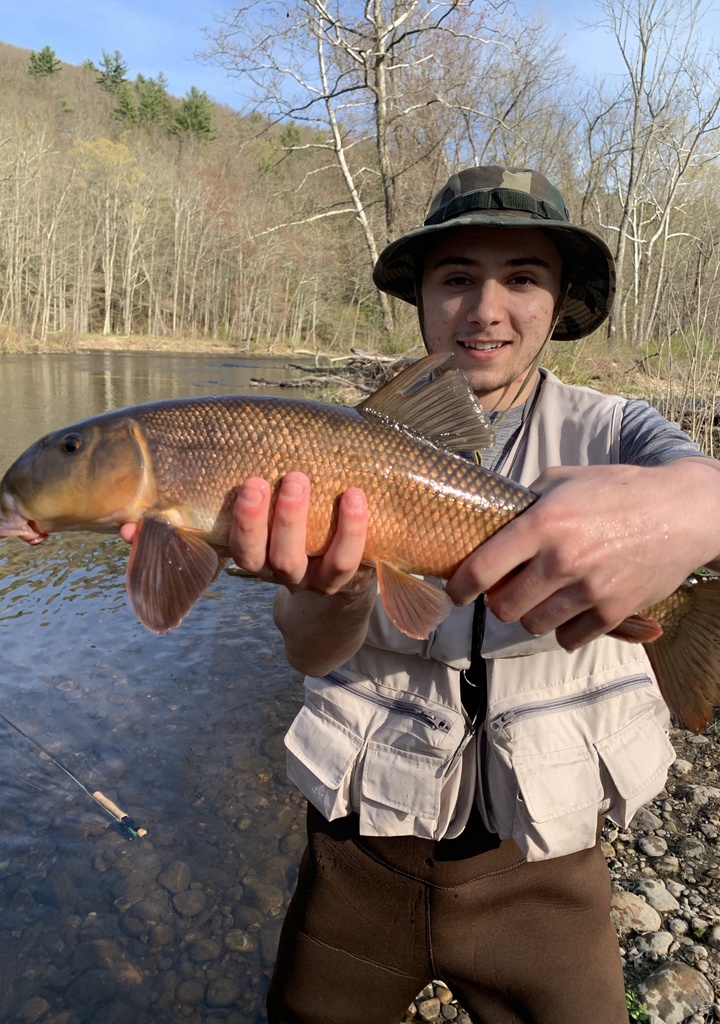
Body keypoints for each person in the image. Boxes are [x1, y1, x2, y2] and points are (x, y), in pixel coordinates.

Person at [200, 168, 720, 1022]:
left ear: (560, 301)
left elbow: (705, 485)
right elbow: (308, 650)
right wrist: (326, 592)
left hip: (545, 870)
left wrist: (695, 508)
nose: (485, 308)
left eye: (521, 277)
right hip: (359, 862)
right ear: (421, 301)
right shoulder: (333, 447)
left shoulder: (619, 430)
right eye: (455, 279)